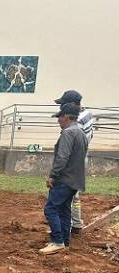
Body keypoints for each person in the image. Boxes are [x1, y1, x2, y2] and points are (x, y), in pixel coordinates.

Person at [40, 103, 89, 255]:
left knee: (51, 208)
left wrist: (53, 176)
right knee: (64, 210)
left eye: (59, 117)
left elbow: (62, 157)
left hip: (64, 179)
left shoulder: (68, 133)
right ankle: (65, 241)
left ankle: (57, 241)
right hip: (75, 180)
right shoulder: (81, 133)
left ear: (66, 116)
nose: (58, 121)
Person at [54, 90, 94, 233]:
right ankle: (76, 223)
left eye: (63, 104)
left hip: (73, 159)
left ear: (71, 104)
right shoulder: (88, 114)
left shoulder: (77, 120)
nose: (61, 108)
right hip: (82, 156)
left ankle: (66, 227)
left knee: (66, 194)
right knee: (74, 195)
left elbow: (71, 141)